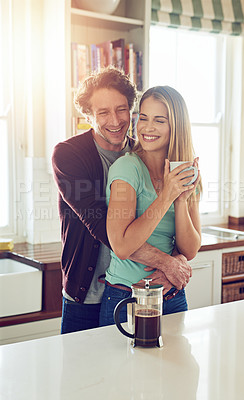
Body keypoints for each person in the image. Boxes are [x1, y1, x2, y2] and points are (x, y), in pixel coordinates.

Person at [52, 67, 193, 334]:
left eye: (121, 109)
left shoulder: (144, 154)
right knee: (80, 374)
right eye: (103, 112)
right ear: (88, 115)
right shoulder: (69, 155)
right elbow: (103, 229)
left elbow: (166, 226)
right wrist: (168, 262)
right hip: (88, 292)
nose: (115, 121)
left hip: (143, 289)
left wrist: (176, 261)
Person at [99, 85, 202, 327]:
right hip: (126, 296)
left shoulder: (185, 172)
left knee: (176, 365)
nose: (147, 127)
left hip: (171, 295)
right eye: (143, 118)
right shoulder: (128, 168)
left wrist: (180, 198)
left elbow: (190, 249)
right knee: (124, 366)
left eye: (159, 120)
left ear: (176, 127)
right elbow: (122, 246)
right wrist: (167, 195)